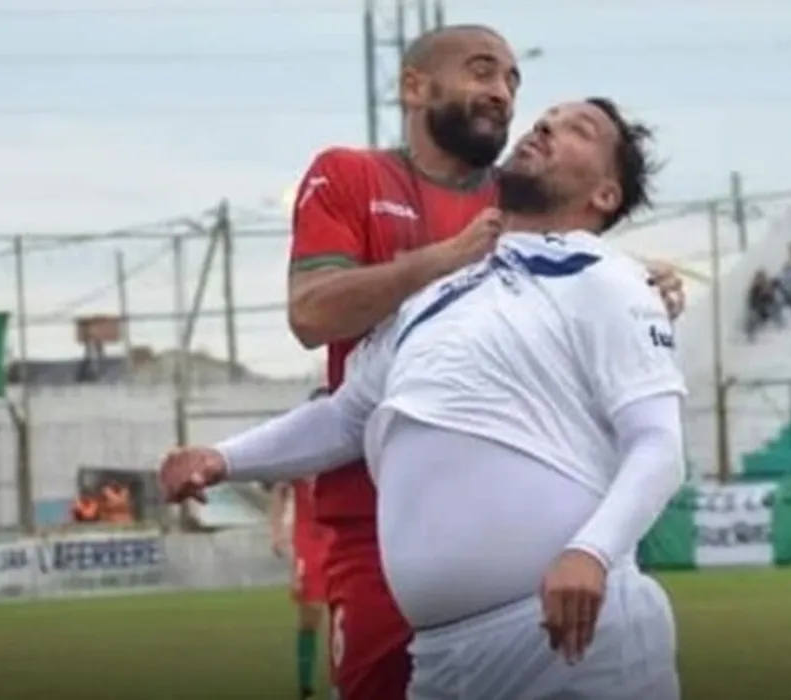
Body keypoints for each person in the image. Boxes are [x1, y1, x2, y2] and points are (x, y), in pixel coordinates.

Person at [164, 98, 685, 699]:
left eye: (579, 130)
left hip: (571, 646)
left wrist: (591, 552)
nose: (546, 124)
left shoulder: (607, 279)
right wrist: (222, 458)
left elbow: (659, 445)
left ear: (604, 195)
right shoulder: (435, 296)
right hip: (441, 661)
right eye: (548, 116)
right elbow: (342, 417)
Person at [267, 387, 334, 699]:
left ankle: (343, 677)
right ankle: (305, 683)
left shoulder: (348, 445)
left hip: (340, 535)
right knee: (311, 612)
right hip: (308, 539)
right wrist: (277, 531)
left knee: (347, 610)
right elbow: (279, 491)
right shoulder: (299, 452)